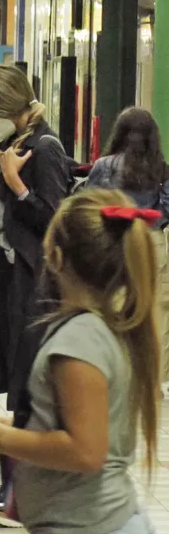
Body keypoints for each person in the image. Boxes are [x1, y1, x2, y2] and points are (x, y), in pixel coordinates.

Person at [0, 187, 161, 534]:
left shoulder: (79, 341)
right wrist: (13, 429)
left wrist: (2, 439)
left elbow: (86, 451)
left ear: (54, 256)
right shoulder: (104, 328)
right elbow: (82, 426)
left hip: (89, 524)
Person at [0, 65, 72, 527]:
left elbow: (56, 221)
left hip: (35, 286)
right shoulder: (13, 147)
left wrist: (18, 185)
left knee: (28, 388)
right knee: (15, 382)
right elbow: (14, 218)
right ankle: (17, 491)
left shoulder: (45, 148)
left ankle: (19, 494)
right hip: (4, 278)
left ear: (13, 109)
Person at [85, 107, 169, 391]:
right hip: (150, 242)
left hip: (113, 240)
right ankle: (152, 381)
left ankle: (113, 375)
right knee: (154, 312)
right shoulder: (161, 169)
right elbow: (168, 209)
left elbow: (89, 203)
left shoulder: (103, 166)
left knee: (113, 307)